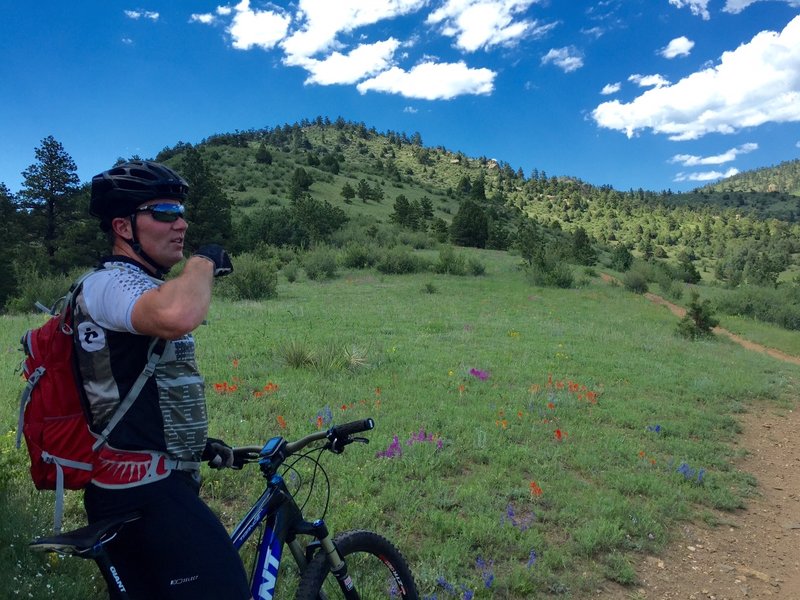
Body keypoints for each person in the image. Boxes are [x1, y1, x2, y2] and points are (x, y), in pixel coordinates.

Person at [73, 160, 251, 599]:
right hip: (142, 495)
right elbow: (178, 315)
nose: (181, 223)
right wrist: (204, 261)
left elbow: (131, 387)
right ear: (123, 226)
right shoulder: (108, 285)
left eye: (181, 212)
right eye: (165, 211)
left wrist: (192, 446)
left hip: (143, 486)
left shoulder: (136, 284)